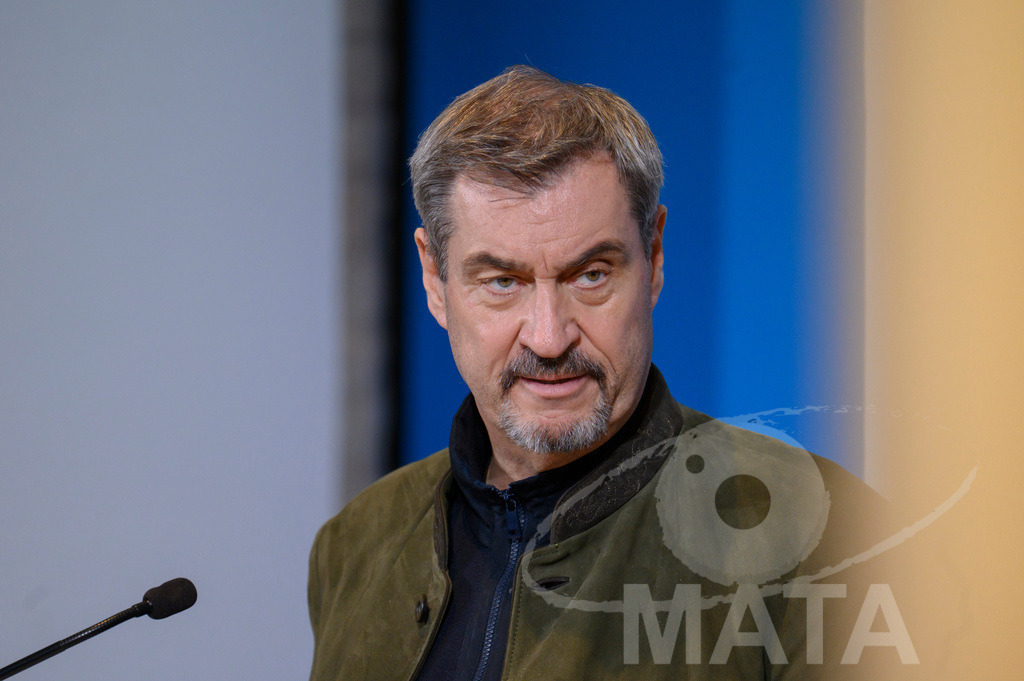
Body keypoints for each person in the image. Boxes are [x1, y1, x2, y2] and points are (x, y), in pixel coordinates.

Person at [308, 66, 905, 681]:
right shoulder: (355, 545)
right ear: (435, 281)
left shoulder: (822, 537)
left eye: (590, 274)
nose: (548, 337)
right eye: (502, 282)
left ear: (653, 259)